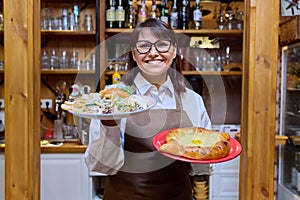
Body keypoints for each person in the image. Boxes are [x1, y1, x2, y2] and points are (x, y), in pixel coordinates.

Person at [85, 18, 211, 200]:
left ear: (174, 51)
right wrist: (109, 124)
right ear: (134, 54)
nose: (153, 53)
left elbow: (201, 166)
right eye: (144, 46)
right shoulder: (114, 100)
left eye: (162, 45)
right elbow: (101, 166)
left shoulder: (192, 100)